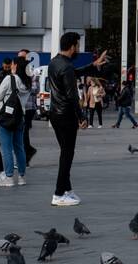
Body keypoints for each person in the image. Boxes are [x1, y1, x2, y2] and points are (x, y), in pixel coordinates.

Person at [46, 32, 109, 207]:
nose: (79, 49)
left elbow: (75, 72)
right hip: (66, 115)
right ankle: (58, 193)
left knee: (65, 152)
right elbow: (72, 96)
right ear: (73, 46)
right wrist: (81, 117)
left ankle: (67, 189)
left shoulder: (55, 62)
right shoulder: (65, 67)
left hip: (55, 114)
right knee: (67, 154)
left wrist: (93, 65)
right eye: (78, 45)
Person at [0, 57, 32, 187]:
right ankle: (22, 177)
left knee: (6, 148)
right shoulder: (28, 82)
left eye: (13, 64)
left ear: (16, 66)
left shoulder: (10, 79)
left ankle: (9, 177)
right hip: (20, 117)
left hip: (6, 118)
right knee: (19, 147)